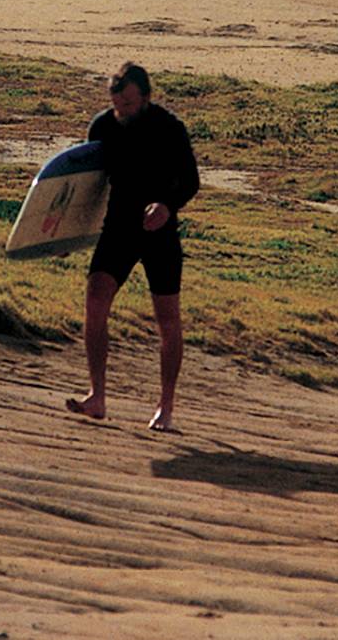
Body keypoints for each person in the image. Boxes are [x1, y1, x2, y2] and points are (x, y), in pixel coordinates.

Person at [66, 62, 200, 431]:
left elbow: (190, 180)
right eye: (116, 103)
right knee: (95, 300)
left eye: (127, 102)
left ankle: (166, 407)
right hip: (119, 227)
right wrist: (68, 233)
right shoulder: (103, 126)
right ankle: (97, 396)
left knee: (167, 319)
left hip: (159, 232)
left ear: (145, 96)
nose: (121, 110)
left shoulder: (169, 128)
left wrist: (167, 205)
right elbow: (87, 186)